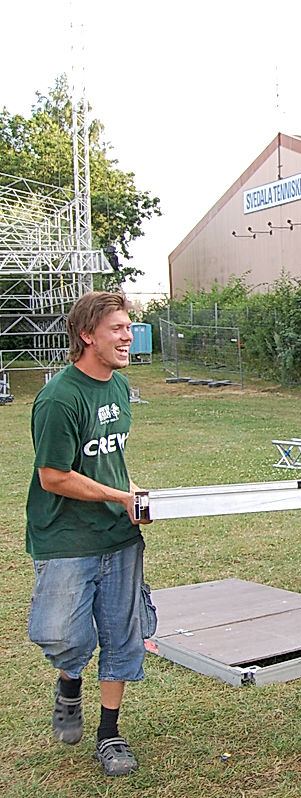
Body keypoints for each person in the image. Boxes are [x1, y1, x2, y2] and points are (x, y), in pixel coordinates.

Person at [26, 291, 153, 777]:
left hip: (118, 537)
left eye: (128, 327)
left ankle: (110, 733)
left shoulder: (118, 388)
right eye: (117, 329)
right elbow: (53, 476)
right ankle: (69, 683)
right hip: (65, 539)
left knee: (123, 637)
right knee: (64, 636)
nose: (127, 336)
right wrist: (118, 497)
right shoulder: (60, 397)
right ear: (87, 336)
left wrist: (135, 494)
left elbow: (111, 461)